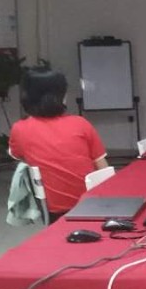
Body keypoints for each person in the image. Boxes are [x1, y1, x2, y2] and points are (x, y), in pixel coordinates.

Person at [8, 67, 108, 220]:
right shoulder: (81, 124)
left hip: (52, 213)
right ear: (62, 96)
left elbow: (16, 155)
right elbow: (104, 169)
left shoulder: (20, 129)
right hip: (91, 207)